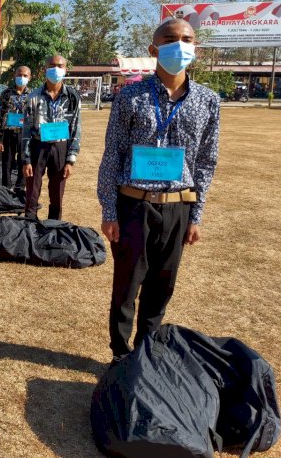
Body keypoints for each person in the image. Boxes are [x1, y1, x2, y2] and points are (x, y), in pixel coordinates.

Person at [97, 18, 220, 362]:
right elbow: (113, 156)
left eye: (187, 39)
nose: (180, 45)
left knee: (162, 287)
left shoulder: (208, 101)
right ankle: (121, 355)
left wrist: (196, 215)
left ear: (195, 48)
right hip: (134, 205)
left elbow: (206, 163)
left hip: (178, 207)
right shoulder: (130, 97)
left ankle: (146, 354)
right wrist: (109, 210)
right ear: (154, 49)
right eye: (171, 38)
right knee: (127, 286)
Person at [22, 55, 81, 220]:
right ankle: (30, 224)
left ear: (66, 69)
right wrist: (26, 160)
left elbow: (76, 128)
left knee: (57, 191)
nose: (56, 69)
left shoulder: (72, 97)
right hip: (37, 146)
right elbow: (26, 130)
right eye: (52, 65)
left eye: (60, 65)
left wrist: (70, 160)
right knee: (32, 189)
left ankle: (54, 226)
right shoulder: (33, 97)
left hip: (60, 148)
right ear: (44, 69)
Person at [0, 66, 29, 190]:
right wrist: (0, 138)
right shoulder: (6, 94)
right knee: (7, 162)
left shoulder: (32, 95)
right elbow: (0, 116)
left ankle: (20, 188)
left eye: (25, 75)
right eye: (19, 75)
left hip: (25, 134)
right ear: (14, 76)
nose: (21, 78)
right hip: (8, 134)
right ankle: (6, 188)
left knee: (23, 161)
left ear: (29, 77)